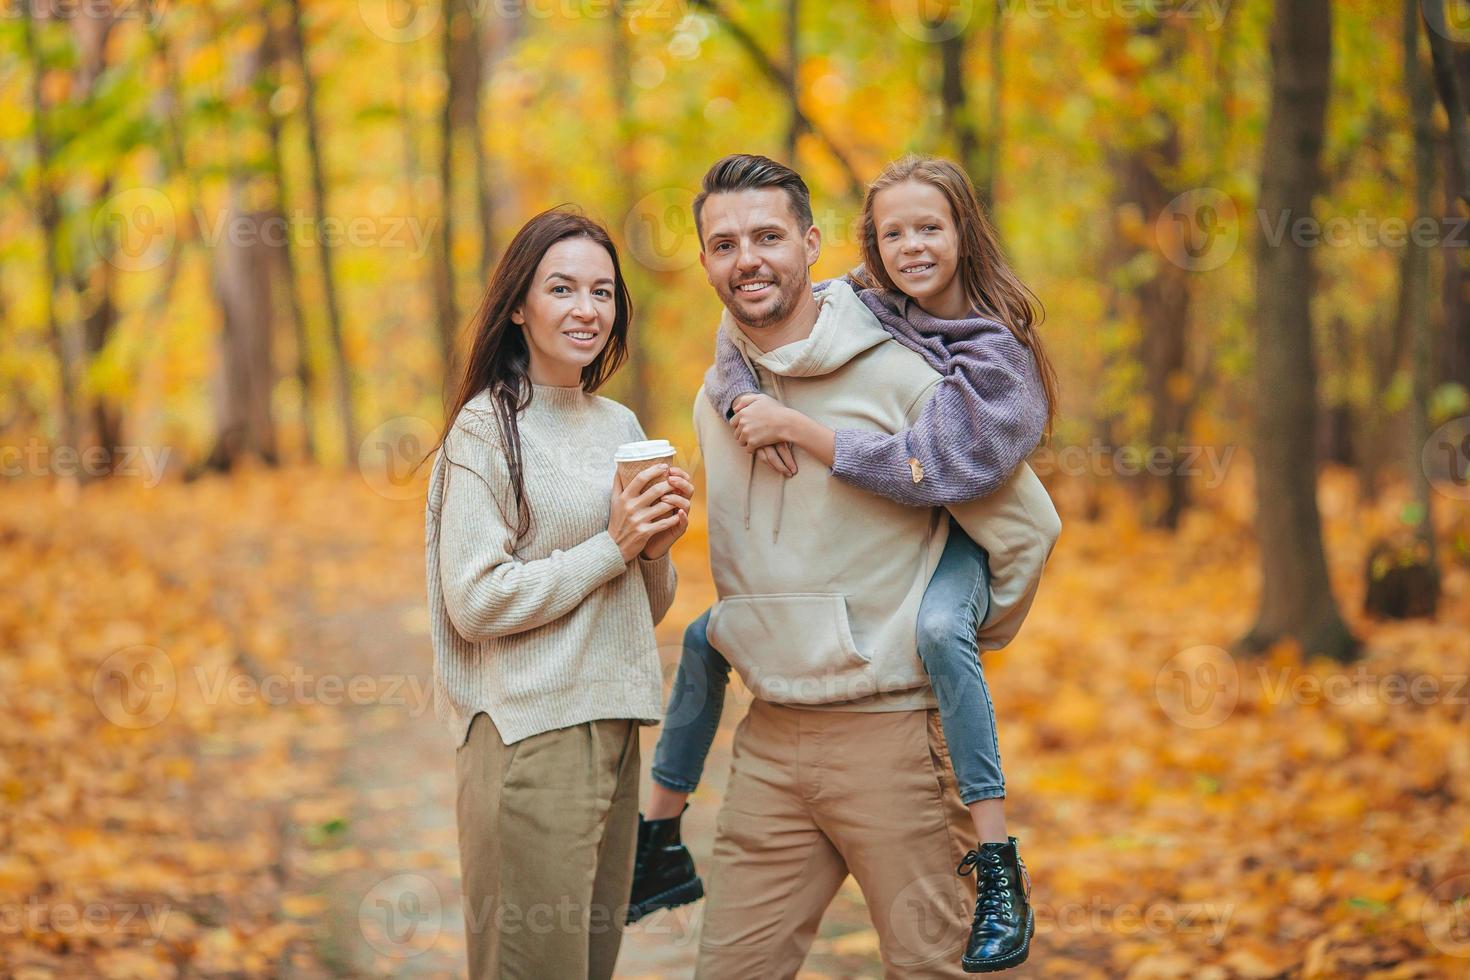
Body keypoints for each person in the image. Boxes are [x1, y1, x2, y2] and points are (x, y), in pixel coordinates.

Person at [633, 154, 1061, 977]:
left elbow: (1027, 530)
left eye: (767, 236)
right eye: (724, 244)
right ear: (704, 263)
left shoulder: (909, 376)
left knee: (932, 970)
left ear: (812, 244)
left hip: (893, 736)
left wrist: (943, 636)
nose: (746, 258)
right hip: (770, 740)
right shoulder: (714, 397)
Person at [423, 208, 693, 978]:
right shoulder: (486, 428)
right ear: (519, 305)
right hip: (527, 736)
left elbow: (637, 605)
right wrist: (611, 546)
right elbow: (474, 601)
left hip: (614, 724)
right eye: (563, 288)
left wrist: (653, 551)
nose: (586, 309)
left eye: (602, 292)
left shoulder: (620, 424)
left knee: (588, 965)